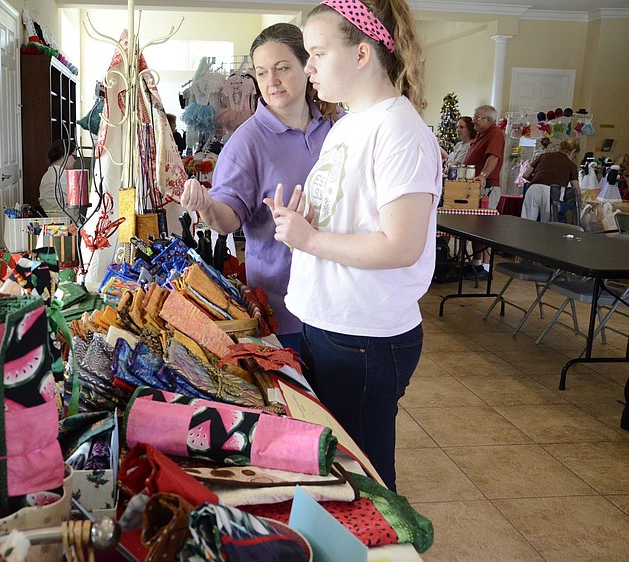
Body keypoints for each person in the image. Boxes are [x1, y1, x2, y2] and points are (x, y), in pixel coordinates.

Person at [265, 0, 441, 491]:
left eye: (317, 53)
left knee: (365, 483)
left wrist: (312, 238)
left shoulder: (400, 130)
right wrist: (308, 220)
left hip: (365, 337)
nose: (309, 67)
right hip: (329, 323)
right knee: (339, 467)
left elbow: (401, 245)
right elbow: (356, 216)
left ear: (362, 53)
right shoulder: (347, 125)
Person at [180, 22, 340, 354]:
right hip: (284, 313)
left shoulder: (335, 129)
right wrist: (206, 204)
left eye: (282, 68)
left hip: (340, 303)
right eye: (262, 73)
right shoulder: (246, 143)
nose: (272, 82)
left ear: (307, 67)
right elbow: (228, 219)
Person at [463, 104, 505, 278]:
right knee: (475, 228)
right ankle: (476, 265)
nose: (473, 121)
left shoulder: (495, 133)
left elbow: (493, 157)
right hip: (475, 187)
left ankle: (486, 269)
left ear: (489, 120)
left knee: (484, 228)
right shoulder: (480, 136)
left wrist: (483, 175)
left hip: (487, 187)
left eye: (477, 117)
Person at [520, 139, 580, 222]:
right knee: (547, 225)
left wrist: (538, 179)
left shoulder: (543, 156)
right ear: (572, 151)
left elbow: (525, 174)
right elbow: (576, 188)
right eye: (574, 155)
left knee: (526, 222)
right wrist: (580, 200)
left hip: (533, 189)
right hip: (551, 192)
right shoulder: (571, 165)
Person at [37, 138, 75, 216]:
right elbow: (79, 200)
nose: (75, 160)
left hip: (48, 218)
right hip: (65, 219)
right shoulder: (64, 176)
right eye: (74, 157)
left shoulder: (47, 174)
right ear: (65, 155)